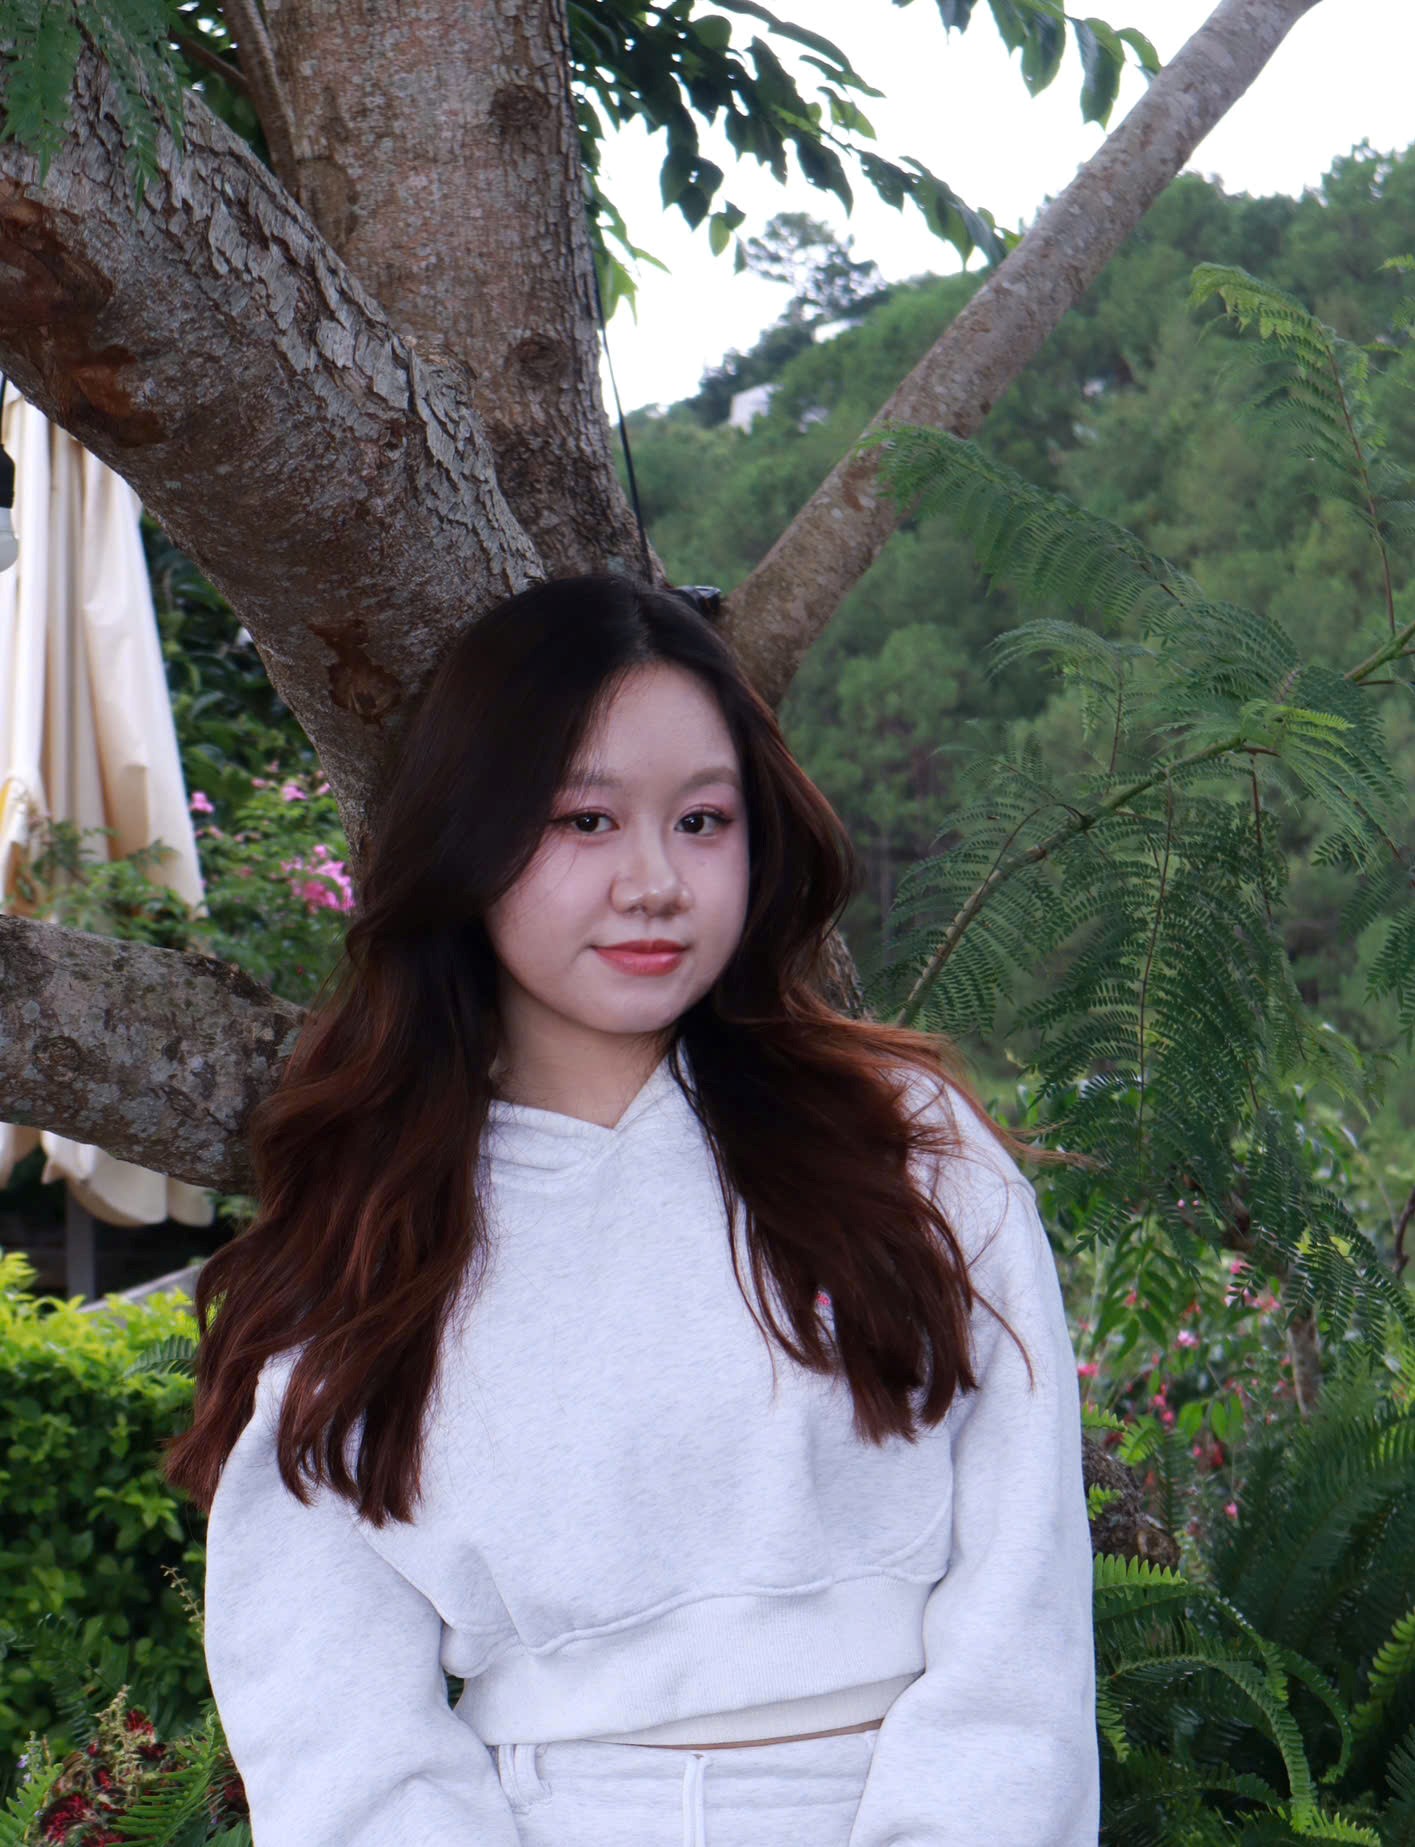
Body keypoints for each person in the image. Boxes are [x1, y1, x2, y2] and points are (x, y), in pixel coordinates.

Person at [162, 574, 1100, 1847]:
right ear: (469, 836)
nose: (654, 880)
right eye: (585, 819)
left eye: (701, 820)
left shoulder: (905, 1149)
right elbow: (333, 1719)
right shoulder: (373, 1223)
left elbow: (1019, 1618)